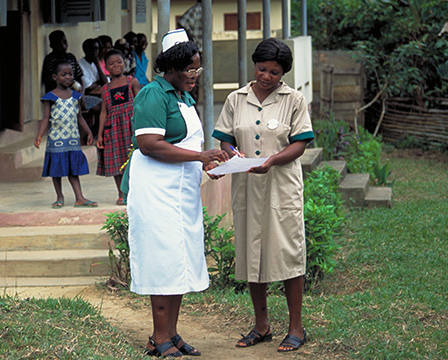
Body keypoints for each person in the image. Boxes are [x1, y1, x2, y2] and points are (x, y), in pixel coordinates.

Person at [121, 29, 229, 358]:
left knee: (181, 260)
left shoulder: (183, 96)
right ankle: (158, 336)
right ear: (171, 68)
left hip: (181, 191)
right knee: (162, 260)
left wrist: (210, 163)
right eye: (190, 70)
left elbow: (187, 145)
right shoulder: (153, 94)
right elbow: (149, 145)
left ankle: (172, 333)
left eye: (198, 70)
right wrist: (199, 157)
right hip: (155, 190)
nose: (195, 76)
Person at [210, 38, 314, 352]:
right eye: (261, 68)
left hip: (281, 186)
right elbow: (225, 139)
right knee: (251, 253)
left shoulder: (293, 100)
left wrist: (271, 161)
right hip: (247, 186)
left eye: (274, 71)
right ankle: (261, 325)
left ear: (283, 73)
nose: (266, 76)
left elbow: (300, 143)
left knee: (286, 253)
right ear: (254, 65)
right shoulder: (235, 99)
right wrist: (232, 154)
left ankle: (296, 327)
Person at [34, 59, 98, 209]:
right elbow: (45, 119)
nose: (68, 77)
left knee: (73, 169)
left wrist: (88, 132)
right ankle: (59, 196)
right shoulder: (50, 97)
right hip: (56, 139)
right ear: (55, 77)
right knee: (56, 170)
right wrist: (39, 135)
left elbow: (79, 117)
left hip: (72, 139)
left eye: (70, 74)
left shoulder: (76, 96)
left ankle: (79, 197)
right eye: (64, 74)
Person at [96, 49, 140, 206]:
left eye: (119, 62)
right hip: (113, 129)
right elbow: (103, 112)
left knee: (134, 158)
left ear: (125, 63)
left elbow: (140, 103)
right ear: (106, 67)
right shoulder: (105, 89)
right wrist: (99, 135)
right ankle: (121, 193)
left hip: (131, 126)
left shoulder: (131, 81)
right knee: (117, 159)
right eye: (111, 63)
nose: (116, 65)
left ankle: (135, 191)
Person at [77, 38, 107, 140]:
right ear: (85, 50)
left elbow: (105, 83)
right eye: (92, 49)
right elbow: (88, 87)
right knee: (105, 108)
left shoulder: (95, 64)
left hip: (97, 95)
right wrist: (97, 83)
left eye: (97, 49)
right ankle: (92, 134)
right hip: (85, 97)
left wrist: (97, 64)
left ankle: (95, 134)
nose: (95, 52)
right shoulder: (80, 64)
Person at [177, 0, 203, 103]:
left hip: (199, 50)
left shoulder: (204, 11)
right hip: (194, 50)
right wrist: (191, 42)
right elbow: (182, 23)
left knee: (195, 80)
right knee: (191, 80)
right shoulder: (196, 10)